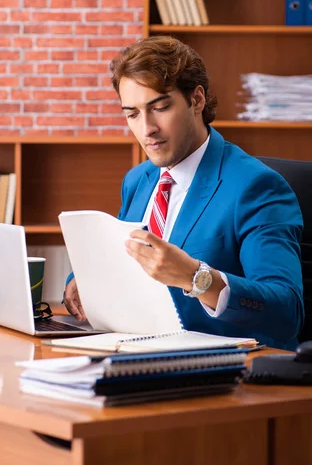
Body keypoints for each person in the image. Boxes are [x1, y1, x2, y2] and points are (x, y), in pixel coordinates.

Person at [63, 36, 304, 349]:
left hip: (224, 371)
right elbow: (120, 260)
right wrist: (84, 280)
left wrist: (197, 277)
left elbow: (287, 311)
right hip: (136, 351)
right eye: (132, 114)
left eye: (160, 107)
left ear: (197, 100)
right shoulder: (139, 180)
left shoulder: (256, 187)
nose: (147, 128)